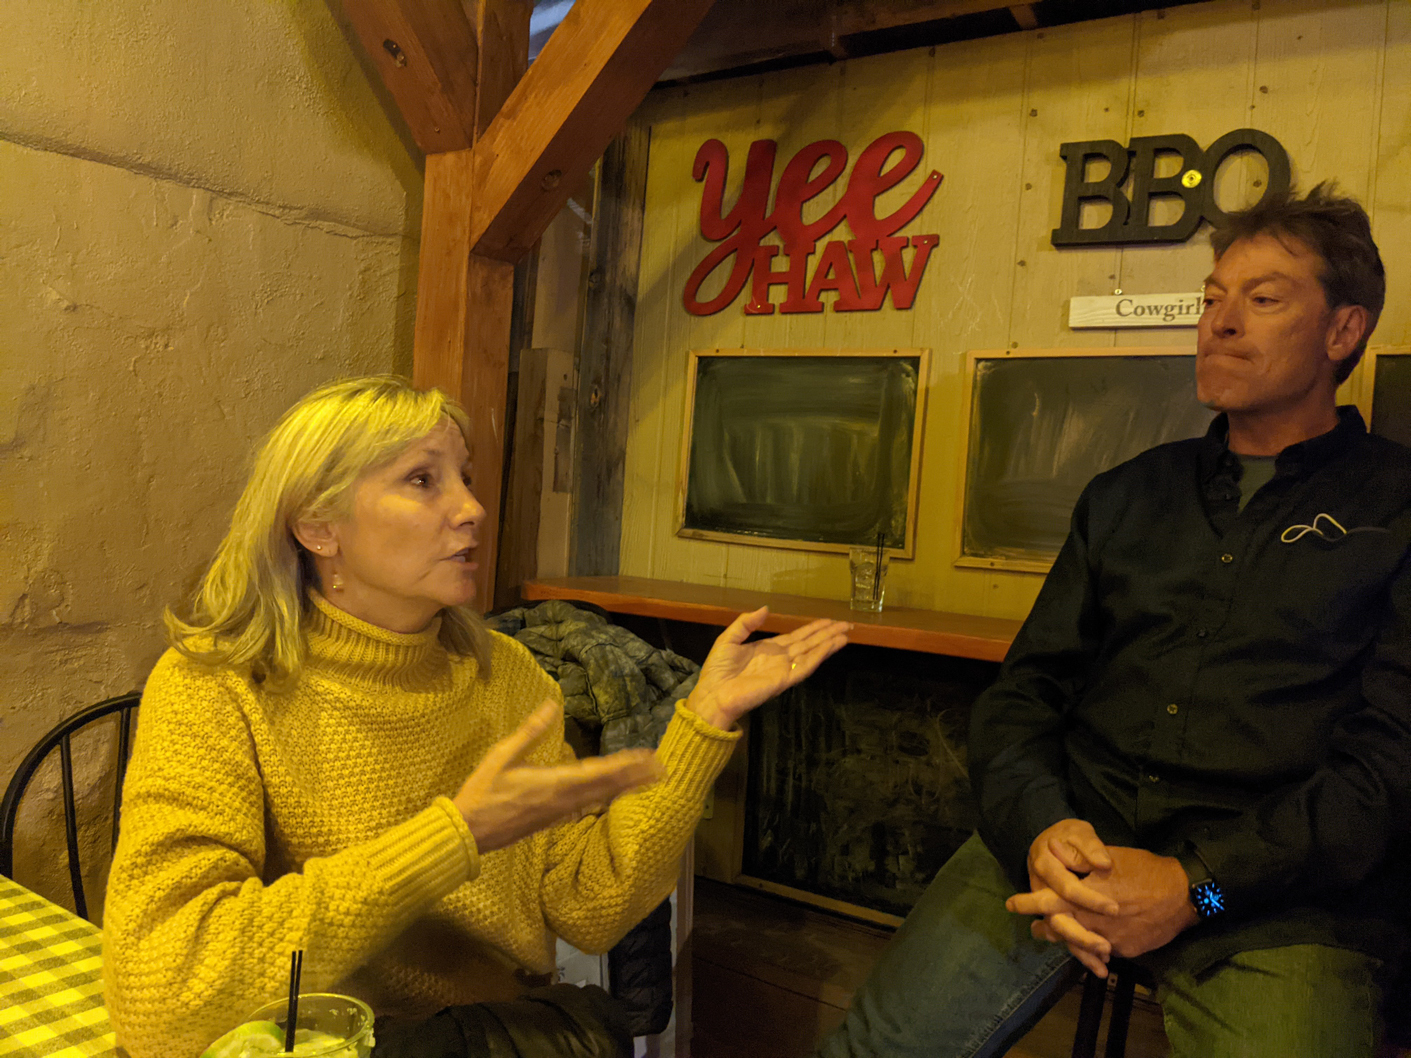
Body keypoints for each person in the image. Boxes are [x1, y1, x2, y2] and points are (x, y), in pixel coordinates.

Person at [819, 182, 1411, 1057]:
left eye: (1261, 300)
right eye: (1211, 299)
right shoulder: (1128, 493)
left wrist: (1194, 888)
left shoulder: (1394, 506)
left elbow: (1388, 769)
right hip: (1069, 849)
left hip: (1264, 897)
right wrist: (1037, 831)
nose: (1219, 323)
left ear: (1342, 331)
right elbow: (1023, 694)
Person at [102, 376, 850, 1058]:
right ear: (318, 527)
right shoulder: (216, 685)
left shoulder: (505, 674)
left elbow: (588, 906)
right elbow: (164, 997)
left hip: (493, 1039)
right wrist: (454, 838)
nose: (471, 509)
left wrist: (701, 720)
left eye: (464, 478)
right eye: (422, 480)